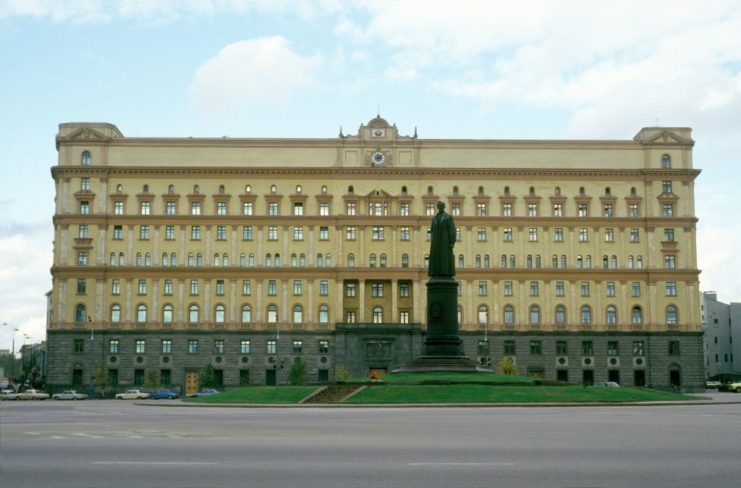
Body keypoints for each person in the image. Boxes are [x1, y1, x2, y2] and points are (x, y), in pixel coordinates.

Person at [428, 201, 456, 277]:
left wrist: (452, 242)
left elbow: (452, 229)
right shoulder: (434, 218)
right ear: (437, 207)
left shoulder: (448, 217)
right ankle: (435, 273)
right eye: (439, 206)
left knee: (444, 256)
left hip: (445, 241)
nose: (440, 207)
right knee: (435, 256)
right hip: (435, 241)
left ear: (444, 207)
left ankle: (445, 273)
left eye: (441, 206)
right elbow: (432, 229)